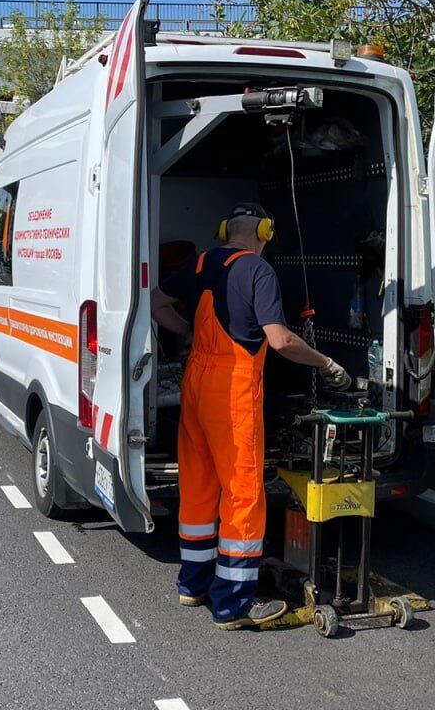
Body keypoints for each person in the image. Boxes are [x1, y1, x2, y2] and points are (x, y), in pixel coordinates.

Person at [151, 202, 350, 630]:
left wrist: (187, 334)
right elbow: (280, 340)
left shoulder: (202, 261)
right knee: (242, 493)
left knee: (199, 486)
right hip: (233, 390)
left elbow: (157, 301)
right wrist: (324, 362)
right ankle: (232, 604)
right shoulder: (259, 272)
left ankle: (193, 584)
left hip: (196, 383)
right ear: (264, 231)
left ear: (226, 229)